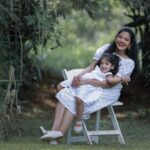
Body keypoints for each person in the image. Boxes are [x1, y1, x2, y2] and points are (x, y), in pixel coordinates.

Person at [40, 27, 138, 143]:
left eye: (126, 39)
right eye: (120, 37)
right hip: (92, 82)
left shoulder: (128, 62)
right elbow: (92, 67)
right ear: (116, 37)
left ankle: (60, 134)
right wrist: (79, 76)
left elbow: (109, 84)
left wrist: (86, 82)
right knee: (65, 92)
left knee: (74, 98)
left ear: (130, 44)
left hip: (107, 91)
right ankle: (54, 131)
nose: (122, 40)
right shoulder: (106, 49)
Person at [57, 53, 120, 133]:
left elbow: (109, 81)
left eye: (107, 64)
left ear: (112, 67)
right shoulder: (97, 68)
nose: (103, 65)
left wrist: (121, 78)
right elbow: (90, 70)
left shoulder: (108, 74)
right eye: (102, 63)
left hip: (87, 87)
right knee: (59, 86)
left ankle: (79, 121)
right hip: (82, 82)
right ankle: (67, 104)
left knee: (79, 99)